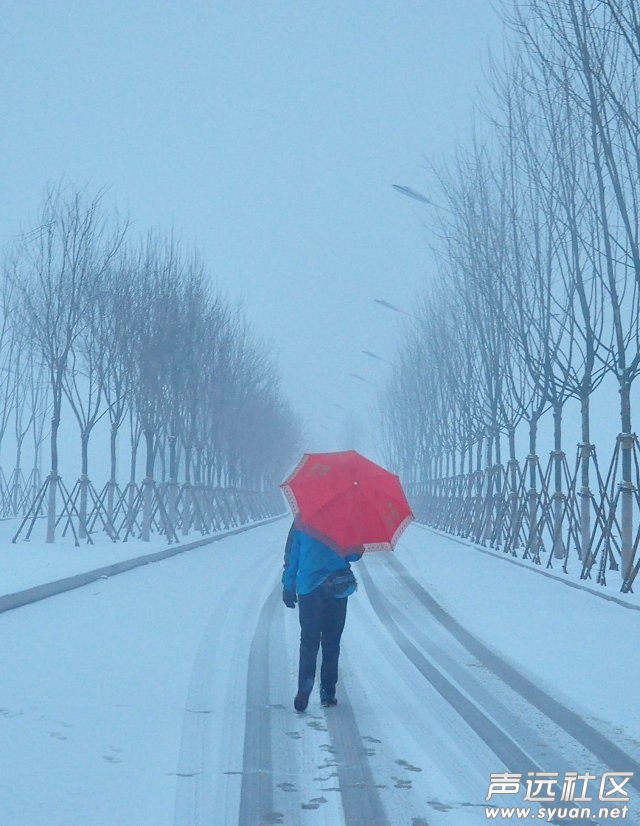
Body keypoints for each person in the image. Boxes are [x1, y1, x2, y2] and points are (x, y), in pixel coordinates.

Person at [282, 522, 362, 712]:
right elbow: (353, 555)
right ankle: (328, 692)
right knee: (332, 642)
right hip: (337, 588)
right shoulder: (344, 520)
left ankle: (304, 687)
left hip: (309, 589)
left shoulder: (301, 521)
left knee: (309, 641)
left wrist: (288, 587)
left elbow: (292, 558)